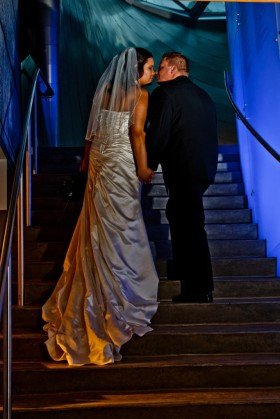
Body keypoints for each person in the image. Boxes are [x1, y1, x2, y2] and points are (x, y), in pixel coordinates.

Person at [42, 47, 159, 366]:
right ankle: (118, 296)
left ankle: (97, 288)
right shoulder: (140, 94)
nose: (152, 74)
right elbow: (137, 134)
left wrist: (85, 159)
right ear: (135, 72)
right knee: (123, 225)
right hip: (120, 161)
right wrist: (143, 169)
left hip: (99, 161)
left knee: (98, 222)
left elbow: (91, 131)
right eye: (149, 68)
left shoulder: (105, 91)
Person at [146, 51, 218, 303]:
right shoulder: (204, 95)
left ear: (174, 69)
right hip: (202, 169)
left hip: (182, 167)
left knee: (191, 225)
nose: (157, 73)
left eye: (162, 68)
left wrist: (148, 164)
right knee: (177, 213)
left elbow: (159, 132)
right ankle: (181, 267)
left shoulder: (164, 94)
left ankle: (199, 288)